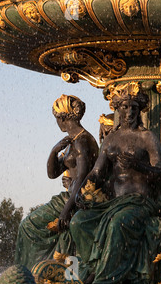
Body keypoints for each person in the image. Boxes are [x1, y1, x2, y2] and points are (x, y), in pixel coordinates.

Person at [69, 82, 161, 284]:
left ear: (140, 110)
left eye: (134, 107)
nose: (130, 111)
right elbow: (97, 172)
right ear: (118, 109)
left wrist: (138, 165)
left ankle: (104, 282)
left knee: (118, 223)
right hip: (114, 203)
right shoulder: (111, 139)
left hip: (140, 202)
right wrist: (80, 192)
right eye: (125, 107)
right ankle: (96, 266)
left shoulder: (147, 137)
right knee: (78, 222)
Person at [14, 94, 99, 270]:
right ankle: (37, 271)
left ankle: (27, 273)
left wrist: (66, 211)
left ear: (62, 118)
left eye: (57, 119)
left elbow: (83, 178)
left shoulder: (82, 141)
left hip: (78, 198)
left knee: (28, 226)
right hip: (72, 196)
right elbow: (52, 174)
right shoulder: (71, 142)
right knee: (29, 226)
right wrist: (54, 151)